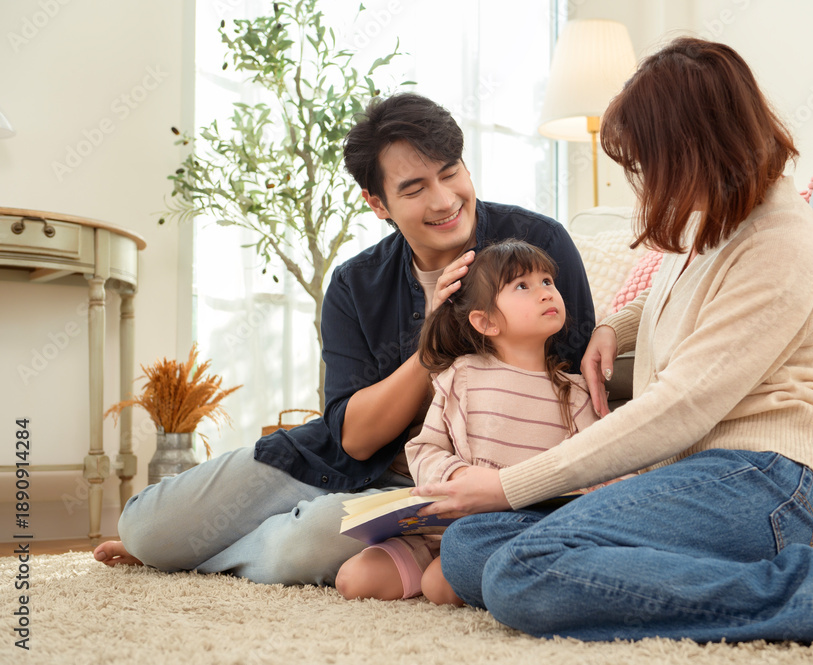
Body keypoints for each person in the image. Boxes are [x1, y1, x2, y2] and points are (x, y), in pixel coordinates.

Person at [411, 38, 813, 653]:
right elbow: (678, 299)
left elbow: (680, 407)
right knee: (472, 546)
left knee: (519, 572)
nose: (642, 179)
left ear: (692, 147)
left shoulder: (781, 243)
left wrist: (507, 486)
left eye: (647, 161)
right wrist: (613, 329)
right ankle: (706, 577)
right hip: (699, 478)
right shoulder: (710, 221)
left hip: (770, 482)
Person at [92, 93, 595, 586]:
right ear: (377, 203)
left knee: (303, 543)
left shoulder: (539, 246)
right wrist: (430, 346)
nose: (444, 201)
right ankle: (173, 549)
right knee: (146, 528)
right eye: (414, 188)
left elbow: (573, 383)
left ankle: (198, 558)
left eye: (450, 173)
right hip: (335, 460)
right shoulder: (356, 283)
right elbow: (354, 439)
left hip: (432, 485)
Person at [336, 240, 600, 605]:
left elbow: (601, 461)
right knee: (352, 579)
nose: (545, 293)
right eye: (522, 286)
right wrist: (457, 476)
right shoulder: (461, 375)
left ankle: (460, 569)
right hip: (442, 525)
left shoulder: (575, 393)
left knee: (439, 584)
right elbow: (425, 449)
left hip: (516, 530)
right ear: (485, 321)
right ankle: (440, 563)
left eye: (547, 282)